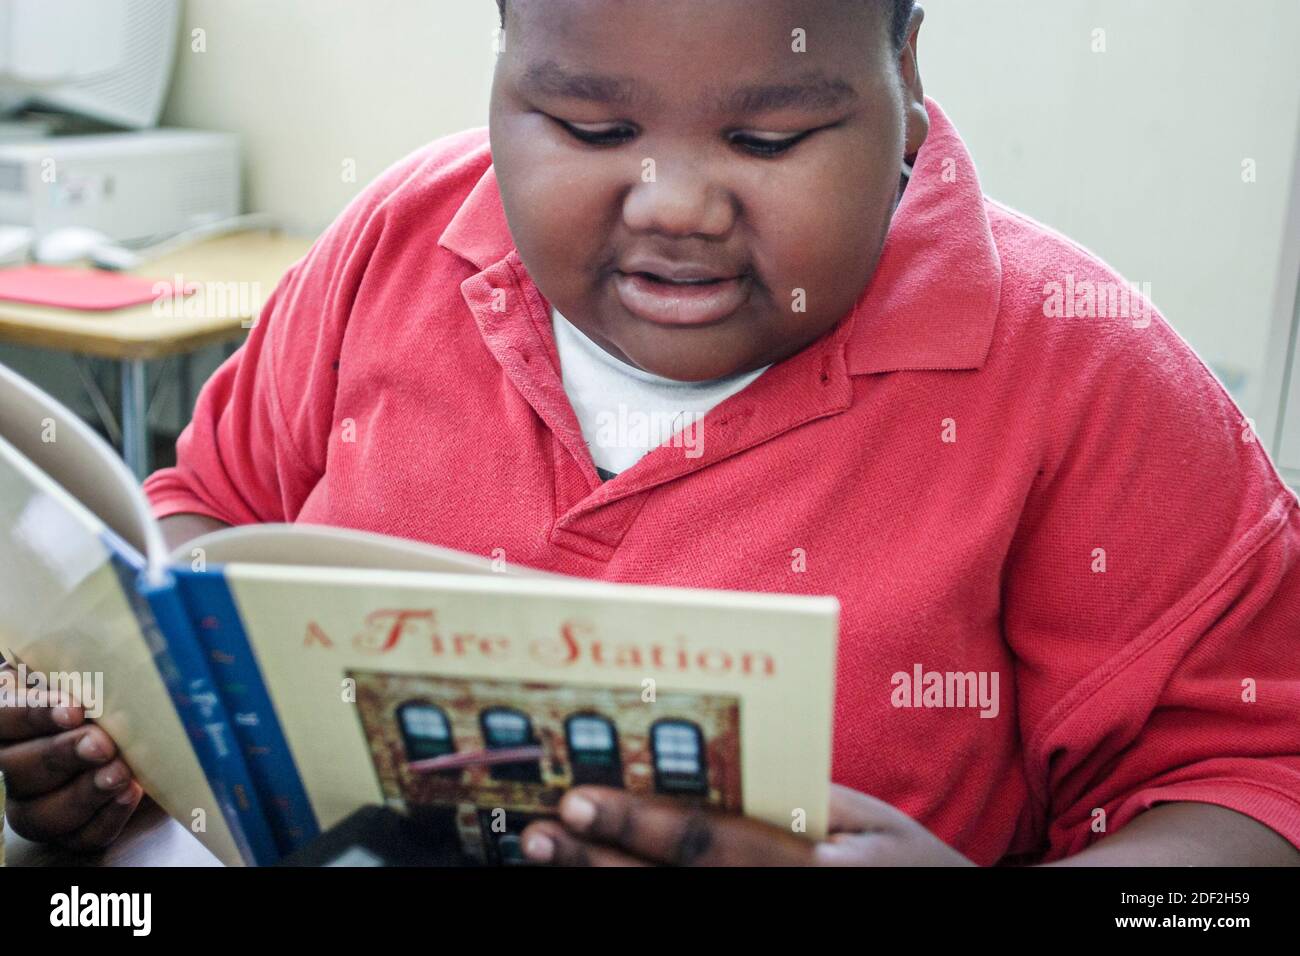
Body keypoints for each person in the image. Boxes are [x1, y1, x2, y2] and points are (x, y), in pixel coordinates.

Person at [3, 0, 1297, 866]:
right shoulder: (395, 246)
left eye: (769, 134)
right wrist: (121, 743)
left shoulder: (1085, 370)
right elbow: (202, 513)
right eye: (592, 127)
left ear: (903, 72)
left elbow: (1257, 802)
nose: (675, 203)